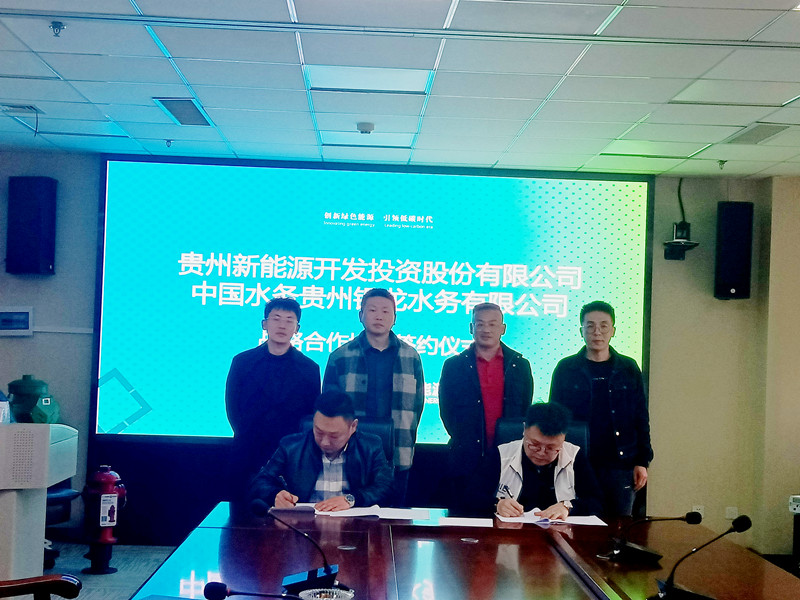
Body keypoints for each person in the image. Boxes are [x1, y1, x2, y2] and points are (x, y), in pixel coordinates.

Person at [549, 300, 653, 517]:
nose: (597, 332)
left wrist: (642, 461)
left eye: (604, 326)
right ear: (581, 331)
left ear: (613, 330)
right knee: (576, 523)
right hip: (576, 463)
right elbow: (554, 419)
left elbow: (640, 417)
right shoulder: (566, 368)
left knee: (619, 525)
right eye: (590, 326)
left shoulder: (628, 368)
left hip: (620, 464)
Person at [322, 288, 424, 505]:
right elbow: (329, 409)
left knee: (395, 519)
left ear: (394, 318)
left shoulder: (411, 356)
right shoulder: (340, 356)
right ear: (361, 315)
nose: (379, 316)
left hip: (397, 453)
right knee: (349, 517)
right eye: (372, 310)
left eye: (386, 311)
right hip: (350, 454)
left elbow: (417, 406)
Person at [438, 302, 533, 515]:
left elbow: (524, 410)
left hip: (509, 458)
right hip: (466, 458)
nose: (486, 329)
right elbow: (447, 412)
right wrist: (467, 439)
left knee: (508, 521)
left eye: (492, 324)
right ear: (471, 328)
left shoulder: (519, 365)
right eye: (480, 324)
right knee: (462, 521)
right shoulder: (454, 366)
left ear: (503, 328)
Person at [225, 297, 320, 498]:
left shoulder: (309, 369)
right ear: (264, 324)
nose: (282, 325)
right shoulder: (242, 362)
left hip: (290, 456)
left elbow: (312, 414)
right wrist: (247, 435)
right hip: (247, 450)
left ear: (297, 328)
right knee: (242, 509)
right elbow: (232, 407)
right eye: (276, 318)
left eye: (289, 320)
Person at [249, 391, 394, 511]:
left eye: (334, 436)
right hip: (303, 527)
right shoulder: (291, 446)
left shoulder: (371, 446)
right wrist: (275, 494)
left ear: (353, 427)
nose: (324, 442)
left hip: (354, 527)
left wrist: (351, 499)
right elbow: (259, 482)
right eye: (318, 432)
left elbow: (386, 488)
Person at [493, 402, 602, 519]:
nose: (541, 453)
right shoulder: (502, 454)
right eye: (534, 445)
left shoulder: (575, 457)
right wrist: (498, 504)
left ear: (563, 438)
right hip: (512, 529)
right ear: (524, 429)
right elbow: (478, 497)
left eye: (551, 448)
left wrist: (568, 507)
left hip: (560, 528)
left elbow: (597, 503)